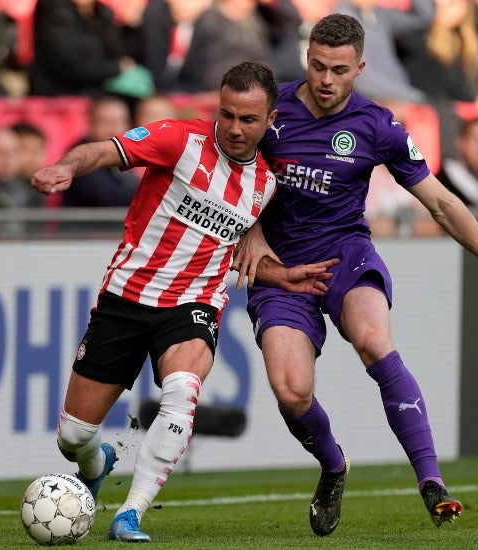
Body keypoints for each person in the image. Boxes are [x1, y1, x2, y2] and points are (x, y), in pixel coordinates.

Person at [232, 14, 478, 536]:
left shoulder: (378, 124)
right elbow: (223, 163)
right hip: (281, 269)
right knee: (292, 392)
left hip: (345, 253)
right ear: (306, 57)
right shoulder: (271, 107)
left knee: (374, 340)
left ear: (360, 68)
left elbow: (442, 203)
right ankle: (333, 467)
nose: (326, 80)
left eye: (339, 70)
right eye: (317, 66)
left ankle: (432, 483)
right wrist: (250, 229)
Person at [30, 61, 336, 543]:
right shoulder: (179, 139)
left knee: (181, 391)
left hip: (193, 304)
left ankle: (130, 513)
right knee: (73, 438)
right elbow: (104, 150)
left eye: (248, 119)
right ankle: (98, 461)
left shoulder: (266, 184)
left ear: (270, 119)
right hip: (126, 297)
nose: (234, 128)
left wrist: (283, 275)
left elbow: (241, 249)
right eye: (227, 114)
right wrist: (66, 165)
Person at [62, 94, 140, 208]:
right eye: (105, 122)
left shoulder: (124, 153)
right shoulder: (79, 154)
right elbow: (107, 197)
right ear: (91, 124)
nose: (113, 129)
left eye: (118, 122)